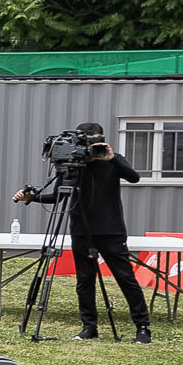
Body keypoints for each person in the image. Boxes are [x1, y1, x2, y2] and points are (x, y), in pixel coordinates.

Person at [14, 122, 151, 342]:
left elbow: (134, 177)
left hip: (110, 230)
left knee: (125, 278)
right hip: (81, 230)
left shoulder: (113, 159)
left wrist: (111, 158)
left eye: (94, 140)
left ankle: (143, 327)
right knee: (84, 280)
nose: (90, 145)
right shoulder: (71, 164)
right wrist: (32, 197)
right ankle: (89, 327)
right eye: (86, 140)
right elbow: (58, 195)